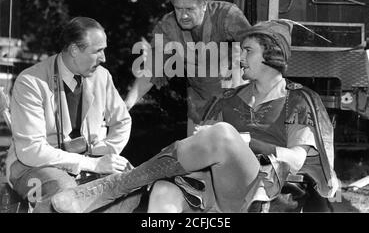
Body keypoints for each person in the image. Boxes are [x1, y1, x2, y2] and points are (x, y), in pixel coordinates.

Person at [50, 19, 338, 213]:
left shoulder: (298, 99)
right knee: (164, 190)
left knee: (224, 134)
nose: (239, 58)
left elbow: (299, 159)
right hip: (214, 188)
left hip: (264, 189)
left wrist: (246, 141)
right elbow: (198, 149)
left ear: (272, 55)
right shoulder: (228, 99)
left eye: (247, 51)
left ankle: (114, 186)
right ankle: (117, 186)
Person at [5, 17, 135, 212]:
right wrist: (92, 164)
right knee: (63, 193)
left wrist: (107, 153)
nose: (104, 58)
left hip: (88, 161)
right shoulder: (30, 82)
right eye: (98, 50)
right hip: (31, 166)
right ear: (74, 50)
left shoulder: (102, 76)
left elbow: (122, 121)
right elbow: (32, 151)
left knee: (130, 185)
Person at [125, 0, 251, 135]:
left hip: (237, 106)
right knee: (198, 157)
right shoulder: (168, 27)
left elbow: (255, 51)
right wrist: (127, 104)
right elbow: (151, 70)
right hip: (200, 110)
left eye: (190, 9)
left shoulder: (227, 16)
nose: (183, 16)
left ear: (204, 4)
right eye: (178, 8)